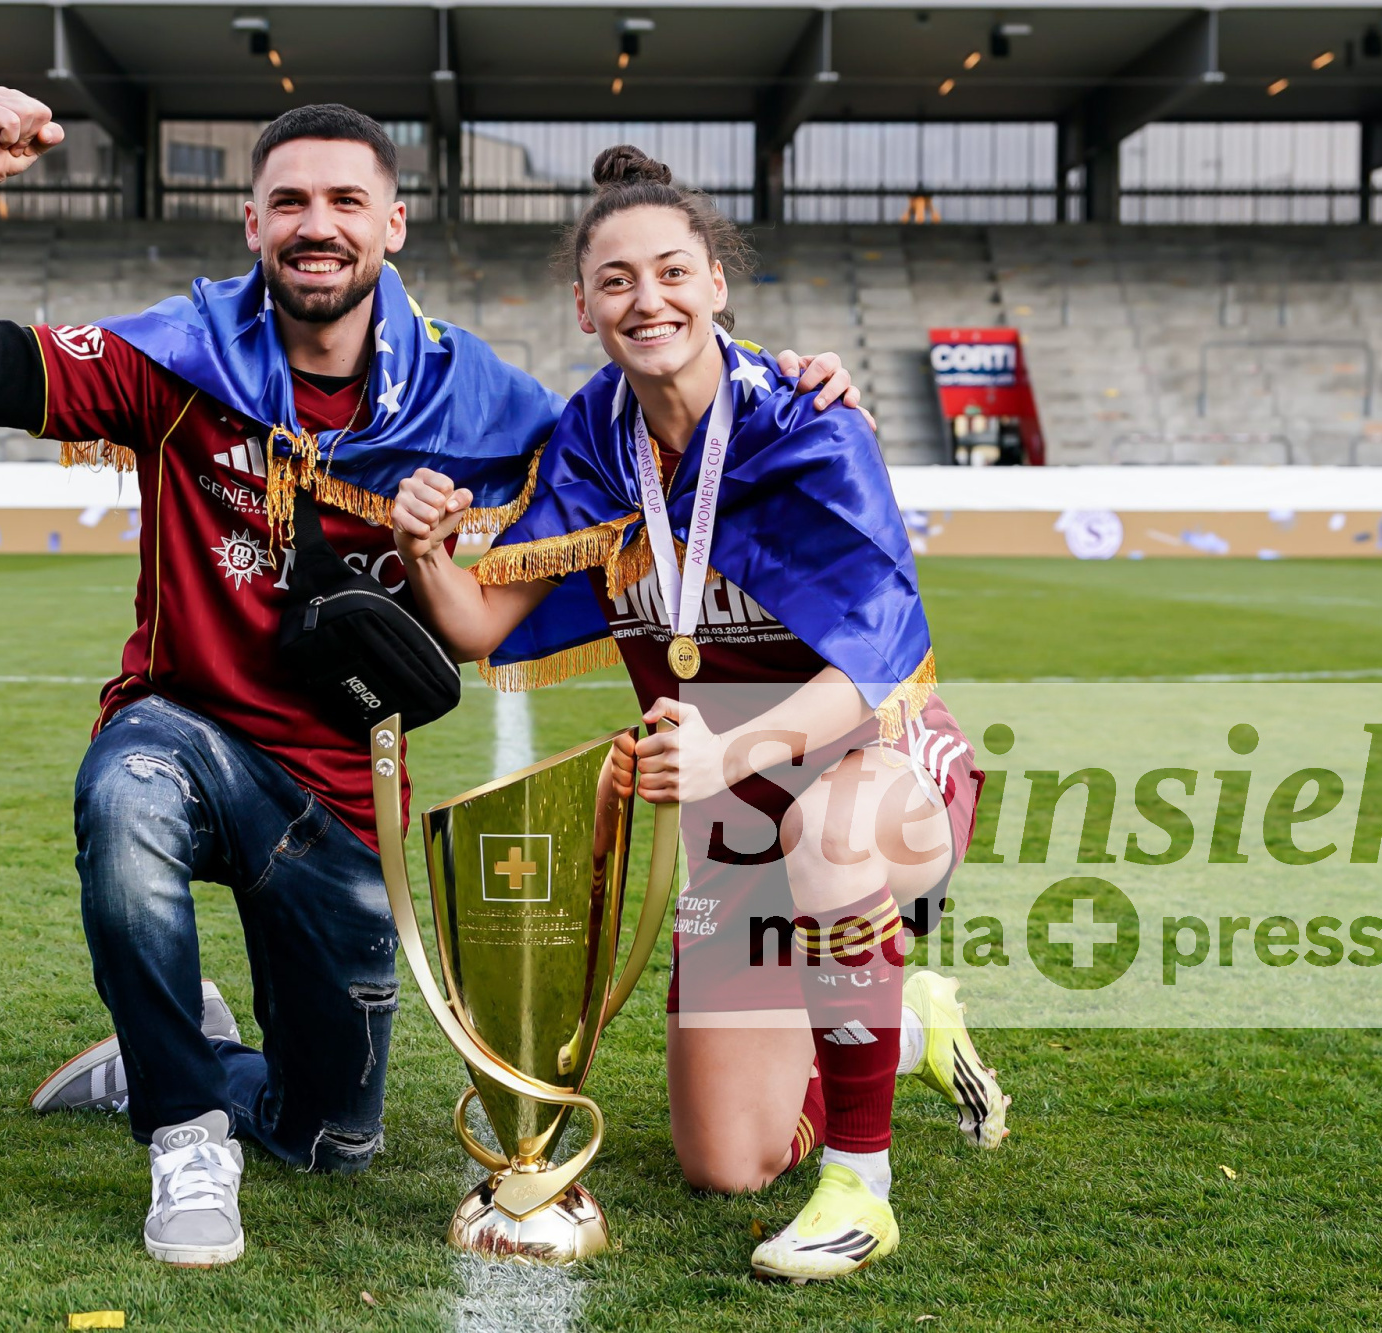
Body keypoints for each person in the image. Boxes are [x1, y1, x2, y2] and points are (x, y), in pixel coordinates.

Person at [0, 90, 869, 1268]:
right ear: (252, 223)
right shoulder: (177, 358)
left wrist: (789, 383)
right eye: (290, 202)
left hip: (346, 807)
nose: (318, 224)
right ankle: (183, 1126)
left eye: (345, 200)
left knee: (329, 1141)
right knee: (127, 788)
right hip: (185, 734)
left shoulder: (480, 400)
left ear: (391, 224)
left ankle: (174, 1047)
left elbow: (645, 425)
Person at [387, 145, 1010, 1282]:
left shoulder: (809, 420)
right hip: (731, 820)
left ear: (716, 281)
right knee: (726, 1161)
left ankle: (860, 1187)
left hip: (877, 770)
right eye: (616, 280)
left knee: (828, 832)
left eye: (673, 271)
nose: (648, 299)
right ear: (584, 307)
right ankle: (904, 1017)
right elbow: (476, 625)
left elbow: (873, 664)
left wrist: (728, 749)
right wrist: (424, 550)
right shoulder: (590, 443)